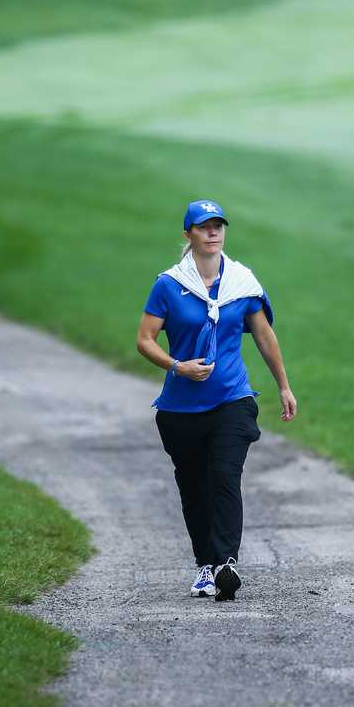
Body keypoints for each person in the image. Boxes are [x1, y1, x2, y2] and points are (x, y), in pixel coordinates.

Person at [137, 200, 297, 600]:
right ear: (188, 234)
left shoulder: (242, 283)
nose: (213, 233)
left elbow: (263, 336)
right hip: (180, 409)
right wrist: (178, 366)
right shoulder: (169, 285)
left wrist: (283, 385)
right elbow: (144, 340)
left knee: (224, 478)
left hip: (232, 400)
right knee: (194, 488)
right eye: (204, 227)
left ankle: (227, 562)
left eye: (218, 226)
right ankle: (205, 566)